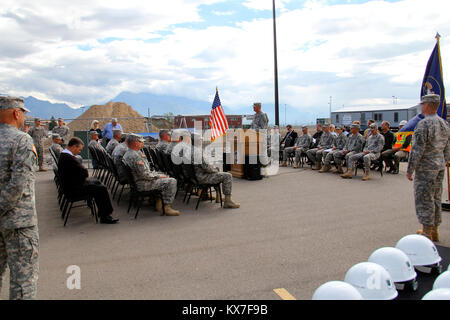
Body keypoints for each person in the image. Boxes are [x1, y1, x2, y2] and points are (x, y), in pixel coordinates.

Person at [0, 96, 39, 300]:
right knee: (23, 282)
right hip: (18, 223)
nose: (24, 116)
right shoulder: (21, 139)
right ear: (16, 113)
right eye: (23, 113)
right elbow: (18, 185)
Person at [406, 94, 450, 242]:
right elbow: (447, 148)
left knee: (424, 198)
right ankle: (434, 230)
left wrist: (410, 169)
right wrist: (445, 161)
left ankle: (426, 233)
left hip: (426, 168)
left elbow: (417, 149)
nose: (421, 107)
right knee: (436, 198)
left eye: (423, 104)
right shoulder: (444, 123)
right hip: (439, 167)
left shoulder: (424, 124)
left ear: (429, 105)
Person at [58, 137, 119, 224]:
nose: (79, 152)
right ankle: (105, 216)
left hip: (72, 184)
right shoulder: (68, 158)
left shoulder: (65, 156)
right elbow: (84, 173)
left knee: (97, 183)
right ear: (74, 146)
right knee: (101, 189)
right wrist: (83, 171)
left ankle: (103, 212)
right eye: (79, 150)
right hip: (73, 189)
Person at [123, 134, 181, 216]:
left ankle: (158, 202)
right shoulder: (135, 156)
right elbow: (145, 175)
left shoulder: (129, 153)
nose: (143, 143)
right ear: (136, 143)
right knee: (172, 181)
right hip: (142, 184)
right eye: (141, 142)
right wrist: (158, 176)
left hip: (138, 181)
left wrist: (157, 174)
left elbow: (144, 172)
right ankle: (166, 207)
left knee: (163, 175)